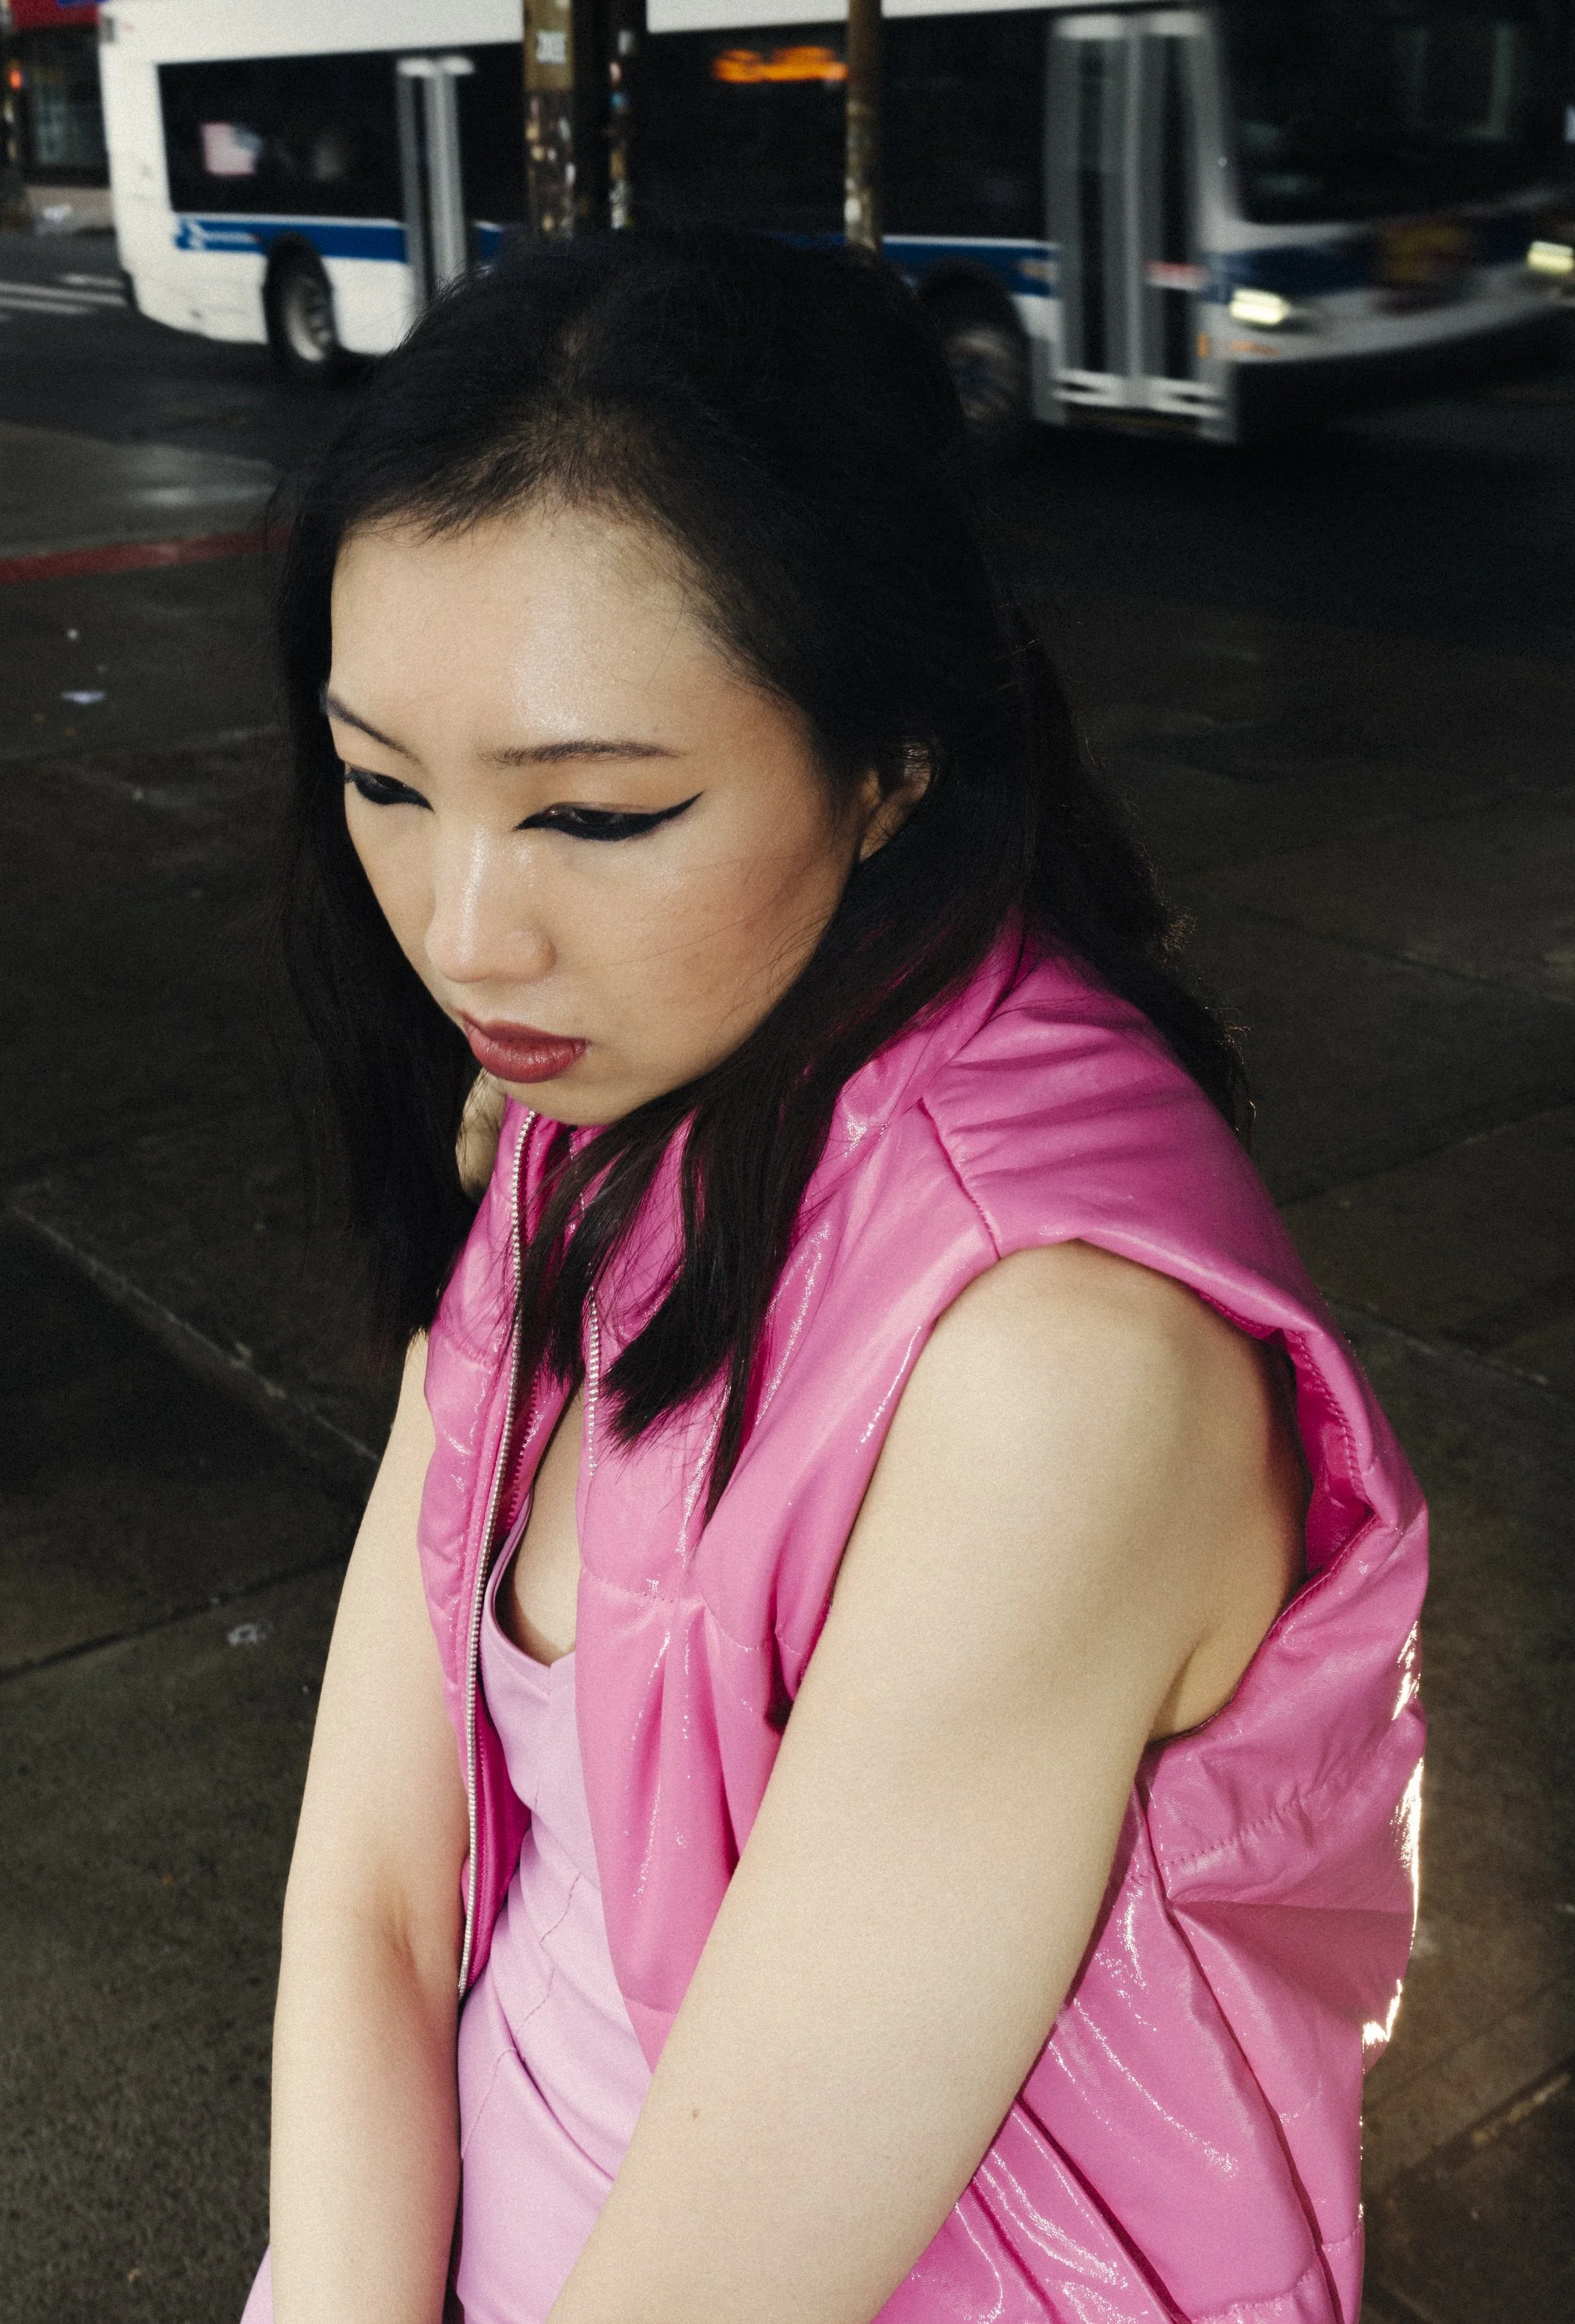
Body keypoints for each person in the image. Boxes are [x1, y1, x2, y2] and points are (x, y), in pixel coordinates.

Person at [249, 229, 1426, 2324]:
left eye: (595, 815)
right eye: (378, 784)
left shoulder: (1052, 1384)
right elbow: (371, 1880)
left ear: (891, 766)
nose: (464, 935)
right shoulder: (591, 1097)